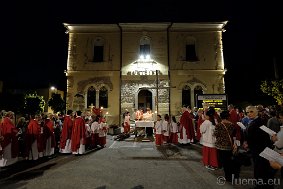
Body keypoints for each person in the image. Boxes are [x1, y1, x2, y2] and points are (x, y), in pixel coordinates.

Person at [243, 105, 275, 189]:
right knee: (260, 169)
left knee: (261, 170)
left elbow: (264, 136)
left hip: (261, 151)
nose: (249, 114)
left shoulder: (260, 122)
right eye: (247, 112)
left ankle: (261, 186)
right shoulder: (254, 121)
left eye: (251, 111)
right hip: (257, 150)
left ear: (256, 112)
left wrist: (248, 142)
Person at [214, 110, 240, 181]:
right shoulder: (232, 125)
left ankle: (228, 177)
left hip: (220, 146)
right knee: (229, 161)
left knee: (224, 162)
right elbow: (234, 135)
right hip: (229, 145)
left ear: (221, 116)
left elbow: (215, 134)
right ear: (228, 116)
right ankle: (232, 175)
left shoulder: (219, 125)